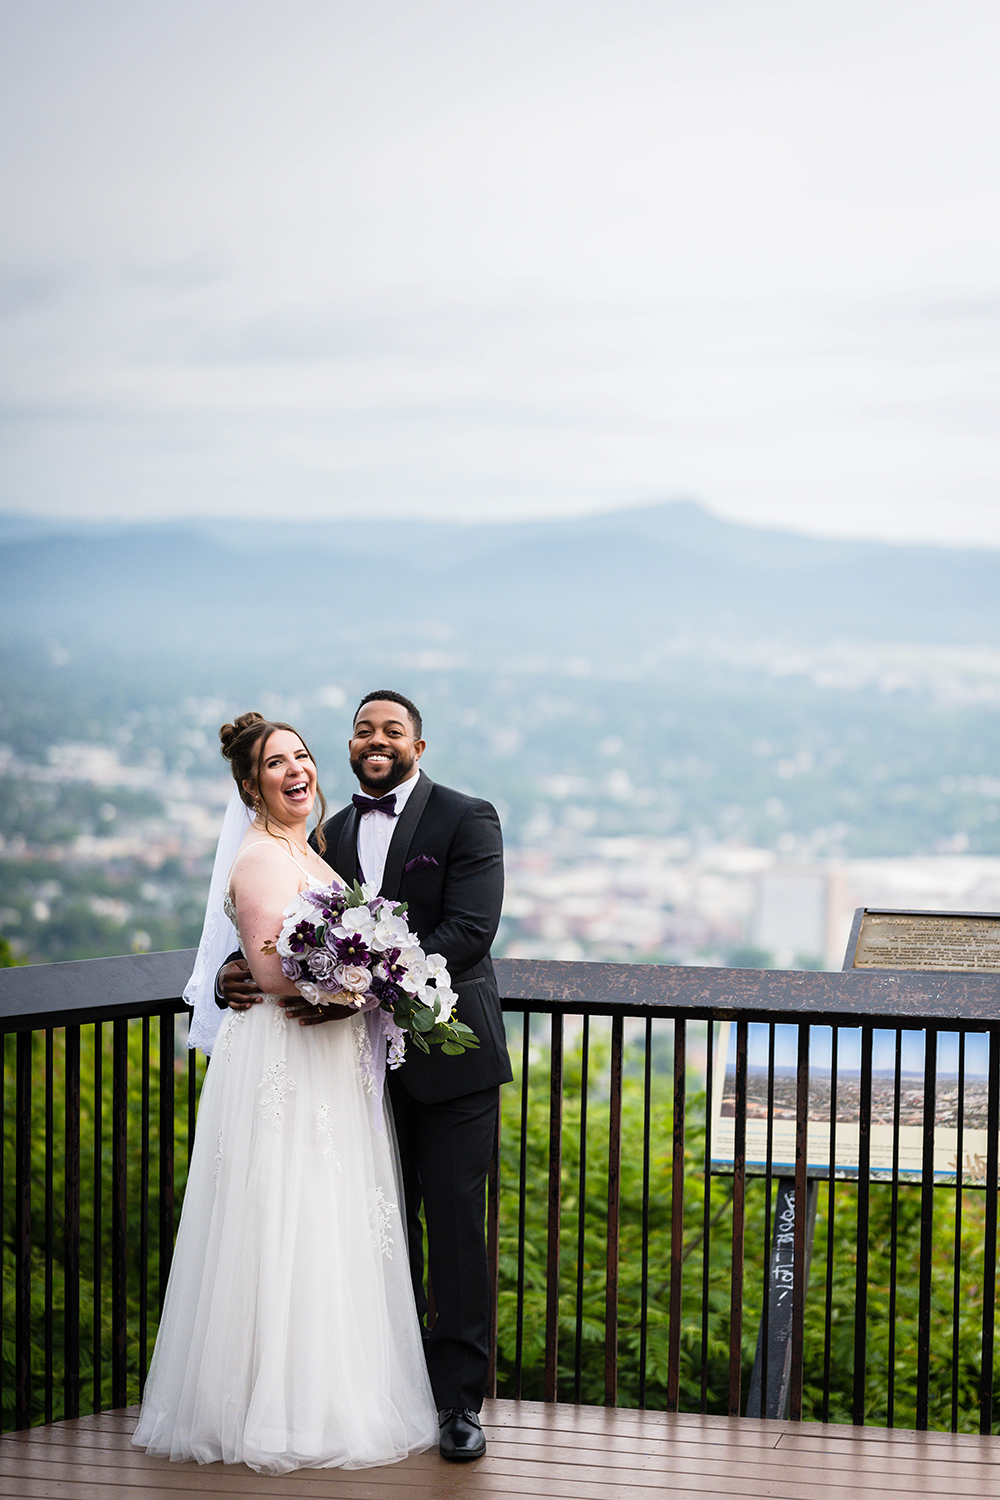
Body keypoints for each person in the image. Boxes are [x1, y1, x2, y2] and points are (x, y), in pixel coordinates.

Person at [133, 712, 438, 1474]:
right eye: (277, 763)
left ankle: (325, 1393)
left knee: (322, 1221)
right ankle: (275, 1408)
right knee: (285, 1217)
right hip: (288, 1059)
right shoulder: (264, 858)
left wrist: (371, 981)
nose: (296, 770)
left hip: (324, 1061)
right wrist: (365, 986)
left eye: (301, 757)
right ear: (250, 785)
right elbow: (271, 972)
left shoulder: (306, 849)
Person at [219, 691, 512, 1461]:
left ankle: (458, 1406)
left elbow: (469, 933)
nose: (375, 741)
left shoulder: (466, 816)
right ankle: (394, 1389)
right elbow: (282, 922)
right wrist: (232, 970)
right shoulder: (330, 830)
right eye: (362, 730)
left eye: (391, 731)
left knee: (452, 1227)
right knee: (376, 1233)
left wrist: (365, 985)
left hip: (448, 1059)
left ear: (419, 743)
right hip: (354, 1073)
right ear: (350, 746)